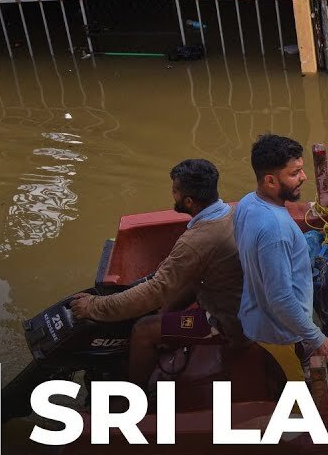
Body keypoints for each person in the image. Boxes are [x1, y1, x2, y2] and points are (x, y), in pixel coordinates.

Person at [69, 159, 243, 386]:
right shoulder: (234, 213)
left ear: (188, 201)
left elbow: (153, 291)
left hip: (229, 321)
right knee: (169, 303)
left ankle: (138, 397)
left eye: (175, 191)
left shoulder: (196, 241)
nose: (173, 195)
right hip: (237, 298)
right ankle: (167, 330)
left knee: (143, 330)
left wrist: (94, 306)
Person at [233, 133, 328, 382]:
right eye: (294, 173)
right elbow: (280, 298)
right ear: (270, 179)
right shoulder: (275, 230)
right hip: (277, 332)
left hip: (259, 313)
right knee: (297, 396)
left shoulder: (247, 204)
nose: (304, 177)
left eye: (301, 170)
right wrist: (316, 337)